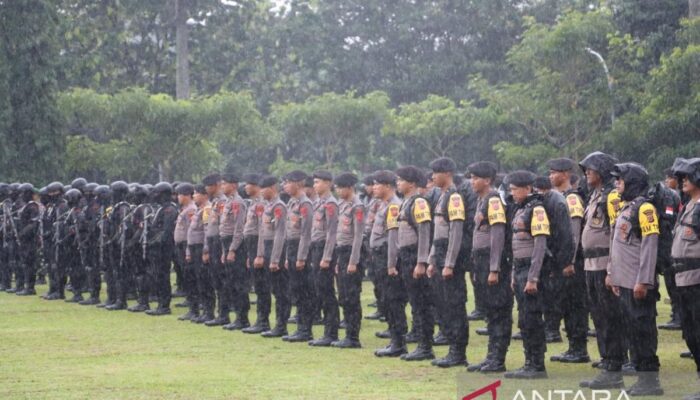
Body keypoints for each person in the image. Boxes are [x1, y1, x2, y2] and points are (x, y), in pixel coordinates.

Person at [608, 162, 663, 396]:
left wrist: (644, 281)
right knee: (632, 331)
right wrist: (612, 274)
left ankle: (650, 381)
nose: (616, 183)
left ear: (632, 182)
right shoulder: (625, 207)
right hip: (625, 282)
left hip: (638, 284)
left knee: (643, 332)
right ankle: (642, 377)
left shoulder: (645, 208)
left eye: (620, 179)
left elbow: (650, 247)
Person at [578, 152, 627, 390]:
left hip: (604, 264)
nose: (587, 172)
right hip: (590, 264)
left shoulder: (611, 196)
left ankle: (613, 368)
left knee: (609, 318)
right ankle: (608, 361)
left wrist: (612, 269)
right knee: (598, 318)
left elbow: (617, 233)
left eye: (591, 168)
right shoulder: (594, 195)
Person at [467, 161, 513, 373]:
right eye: (471, 177)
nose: (472, 181)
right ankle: (491, 356)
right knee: (490, 311)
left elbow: (497, 234)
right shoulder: (481, 200)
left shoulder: (493, 200)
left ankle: (497, 359)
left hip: (492, 261)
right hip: (482, 261)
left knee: (498, 310)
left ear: (487, 180)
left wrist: (494, 268)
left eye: (476, 178)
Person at [503, 171, 550, 380]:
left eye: (514, 189)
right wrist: (514, 273)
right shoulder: (520, 209)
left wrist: (533, 277)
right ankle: (529, 361)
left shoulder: (537, 209)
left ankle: (537, 364)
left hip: (531, 270)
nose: (511, 193)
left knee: (532, 318)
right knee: (524, 318)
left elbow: (540, 245)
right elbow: (515, 245)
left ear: (527, 188)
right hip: (520, 268)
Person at [546, 158, 589, 361]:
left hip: (572, 262)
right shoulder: (557, 197)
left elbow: (574, 231)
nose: (550, 176)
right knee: (566, 304)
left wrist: (570, 260)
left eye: (554, 172)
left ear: (565, 174)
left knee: (575, 304)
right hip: (561, 260)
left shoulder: (571, 198)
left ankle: (579, 349)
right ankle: (573, 347)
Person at [427, 157, 468, 366]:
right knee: (445, 303)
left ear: (448, 174)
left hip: (450, 256)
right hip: (441, 253)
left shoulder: (454, 198)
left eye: (436, 172)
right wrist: (433, 258)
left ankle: (458, 352)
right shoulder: (442, 197)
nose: (433, 176)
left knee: (455, 304)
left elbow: (456, 232)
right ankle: (452, 348)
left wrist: (450, 263)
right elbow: (438, 233)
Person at [670, 158, 700, 400]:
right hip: (683, 278)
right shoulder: (688, 205)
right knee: (690, 333)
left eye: (688, 177)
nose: (683, 181)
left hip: (697, 278)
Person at [369, 170, 404, 357]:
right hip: (379, 256)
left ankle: (398, 343)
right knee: (386, 300)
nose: (374, 187)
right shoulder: (384, 205)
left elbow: (393, 238)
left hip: (386, 257)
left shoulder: (393, 207)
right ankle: (395, 340)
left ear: (388, 186)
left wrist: (391, 263)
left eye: (377, 184)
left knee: (393, 300)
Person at [331, 172, 365, 349]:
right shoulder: (343, 205)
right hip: (342, 252)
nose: (337, 190)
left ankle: (353, 337)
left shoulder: (357, 207)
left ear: (349, 187)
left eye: (339, 187)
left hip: (352, 253)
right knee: (343, 295)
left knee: (351, 296)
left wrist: (353, 261)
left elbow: (358, 236)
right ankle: (348, 335)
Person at [308, 170, 341, 347]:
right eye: (314, 182)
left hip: (324, 251)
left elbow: (332, 232)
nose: (315, 185)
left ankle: (331, 332)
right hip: (316, 248)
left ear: (328, 183)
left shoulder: (331, 204)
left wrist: (327, 256)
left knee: (327, 292)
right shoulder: (318, 203)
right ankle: (328, 332)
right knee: (320, 290)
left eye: (318, 182)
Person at [281, 170, 315, 342]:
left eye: (288, 182)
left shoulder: (305, 204)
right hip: (292, 248)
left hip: (302, 250)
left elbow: (306, 233)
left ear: (299, 183)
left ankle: (305, 329)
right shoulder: (292, 203)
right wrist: (288, 256)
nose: (285, 185)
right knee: (296, 289)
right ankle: (300, 327)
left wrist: (301, 257)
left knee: (303, 291)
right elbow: (289, 233)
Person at [255, 176, 289, 338]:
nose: (261, 191)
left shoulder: (279, 206)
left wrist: (275, 259)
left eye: (264, 188)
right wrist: (260, 254)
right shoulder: (268, 206)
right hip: (268, 248)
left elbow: (280, 234)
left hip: (277, 250)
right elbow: (263, 233)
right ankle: (274, 324)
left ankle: (281, 325)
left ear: (273, 188)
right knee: (272, 288)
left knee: (281, 291)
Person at [241, 174, 271, 334]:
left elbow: (262, 230)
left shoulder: (261, 205)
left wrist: (259, 254)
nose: (246, 187)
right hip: (251, 247)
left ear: (256, 187)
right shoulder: (253, 204)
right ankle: (260, 320)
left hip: (259, 246)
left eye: (248, 184)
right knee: (258, 286)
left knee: (262, 286)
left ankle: (263, 321)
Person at [221, 174, 250, 330]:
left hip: (236, 245)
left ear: (233, 185)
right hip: (226, 243)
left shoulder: (238, 203)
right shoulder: (229, 202)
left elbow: (239, 229)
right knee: (231, 282)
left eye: (225, 184)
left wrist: (232, 249)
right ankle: (238, 317)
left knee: (239, 283)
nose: (222, 186)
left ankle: (242, 318)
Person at [144, 182, 177, 316]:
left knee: (162, 276)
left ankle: (164, 306)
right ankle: (161, 304)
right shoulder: (162, 208)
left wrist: (152, 242)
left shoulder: (170, 209)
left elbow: (166, 231)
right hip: (157, 248)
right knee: (158, 276)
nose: (154, 196)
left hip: (163, 249)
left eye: (157, 193)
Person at [173, 183, 197, 321]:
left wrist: (187, 250)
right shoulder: (185, 209)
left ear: (187, 195)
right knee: (187, 276)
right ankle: (191, 303)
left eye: (180, 195)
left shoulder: (191, 210)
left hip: (187, 246)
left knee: (190, 277)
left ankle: (194, 307)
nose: (178, 197)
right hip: (181, 246)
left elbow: (190, 232)